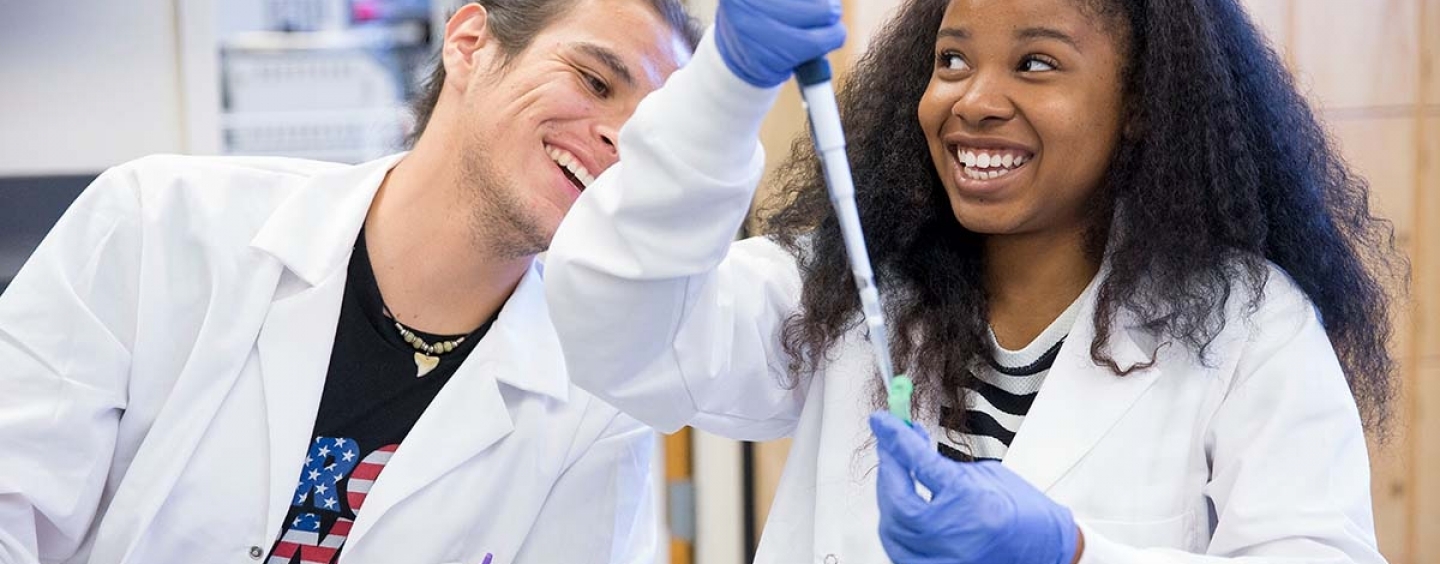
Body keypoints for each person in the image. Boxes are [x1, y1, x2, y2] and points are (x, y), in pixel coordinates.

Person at [544, 0, 1403, 562]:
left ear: (1142, 99)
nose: (974, 100)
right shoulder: (848, 297)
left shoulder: (1248, 327)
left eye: (1036, 64)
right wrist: (723, 89)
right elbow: (615, 327)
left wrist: (1069, 553)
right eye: (952, 61)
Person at [0, 1, 699, 562]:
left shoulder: (597, 405)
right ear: (469, 43)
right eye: (595, 80)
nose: (616, 138)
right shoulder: (157, 224)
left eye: (648, 135)